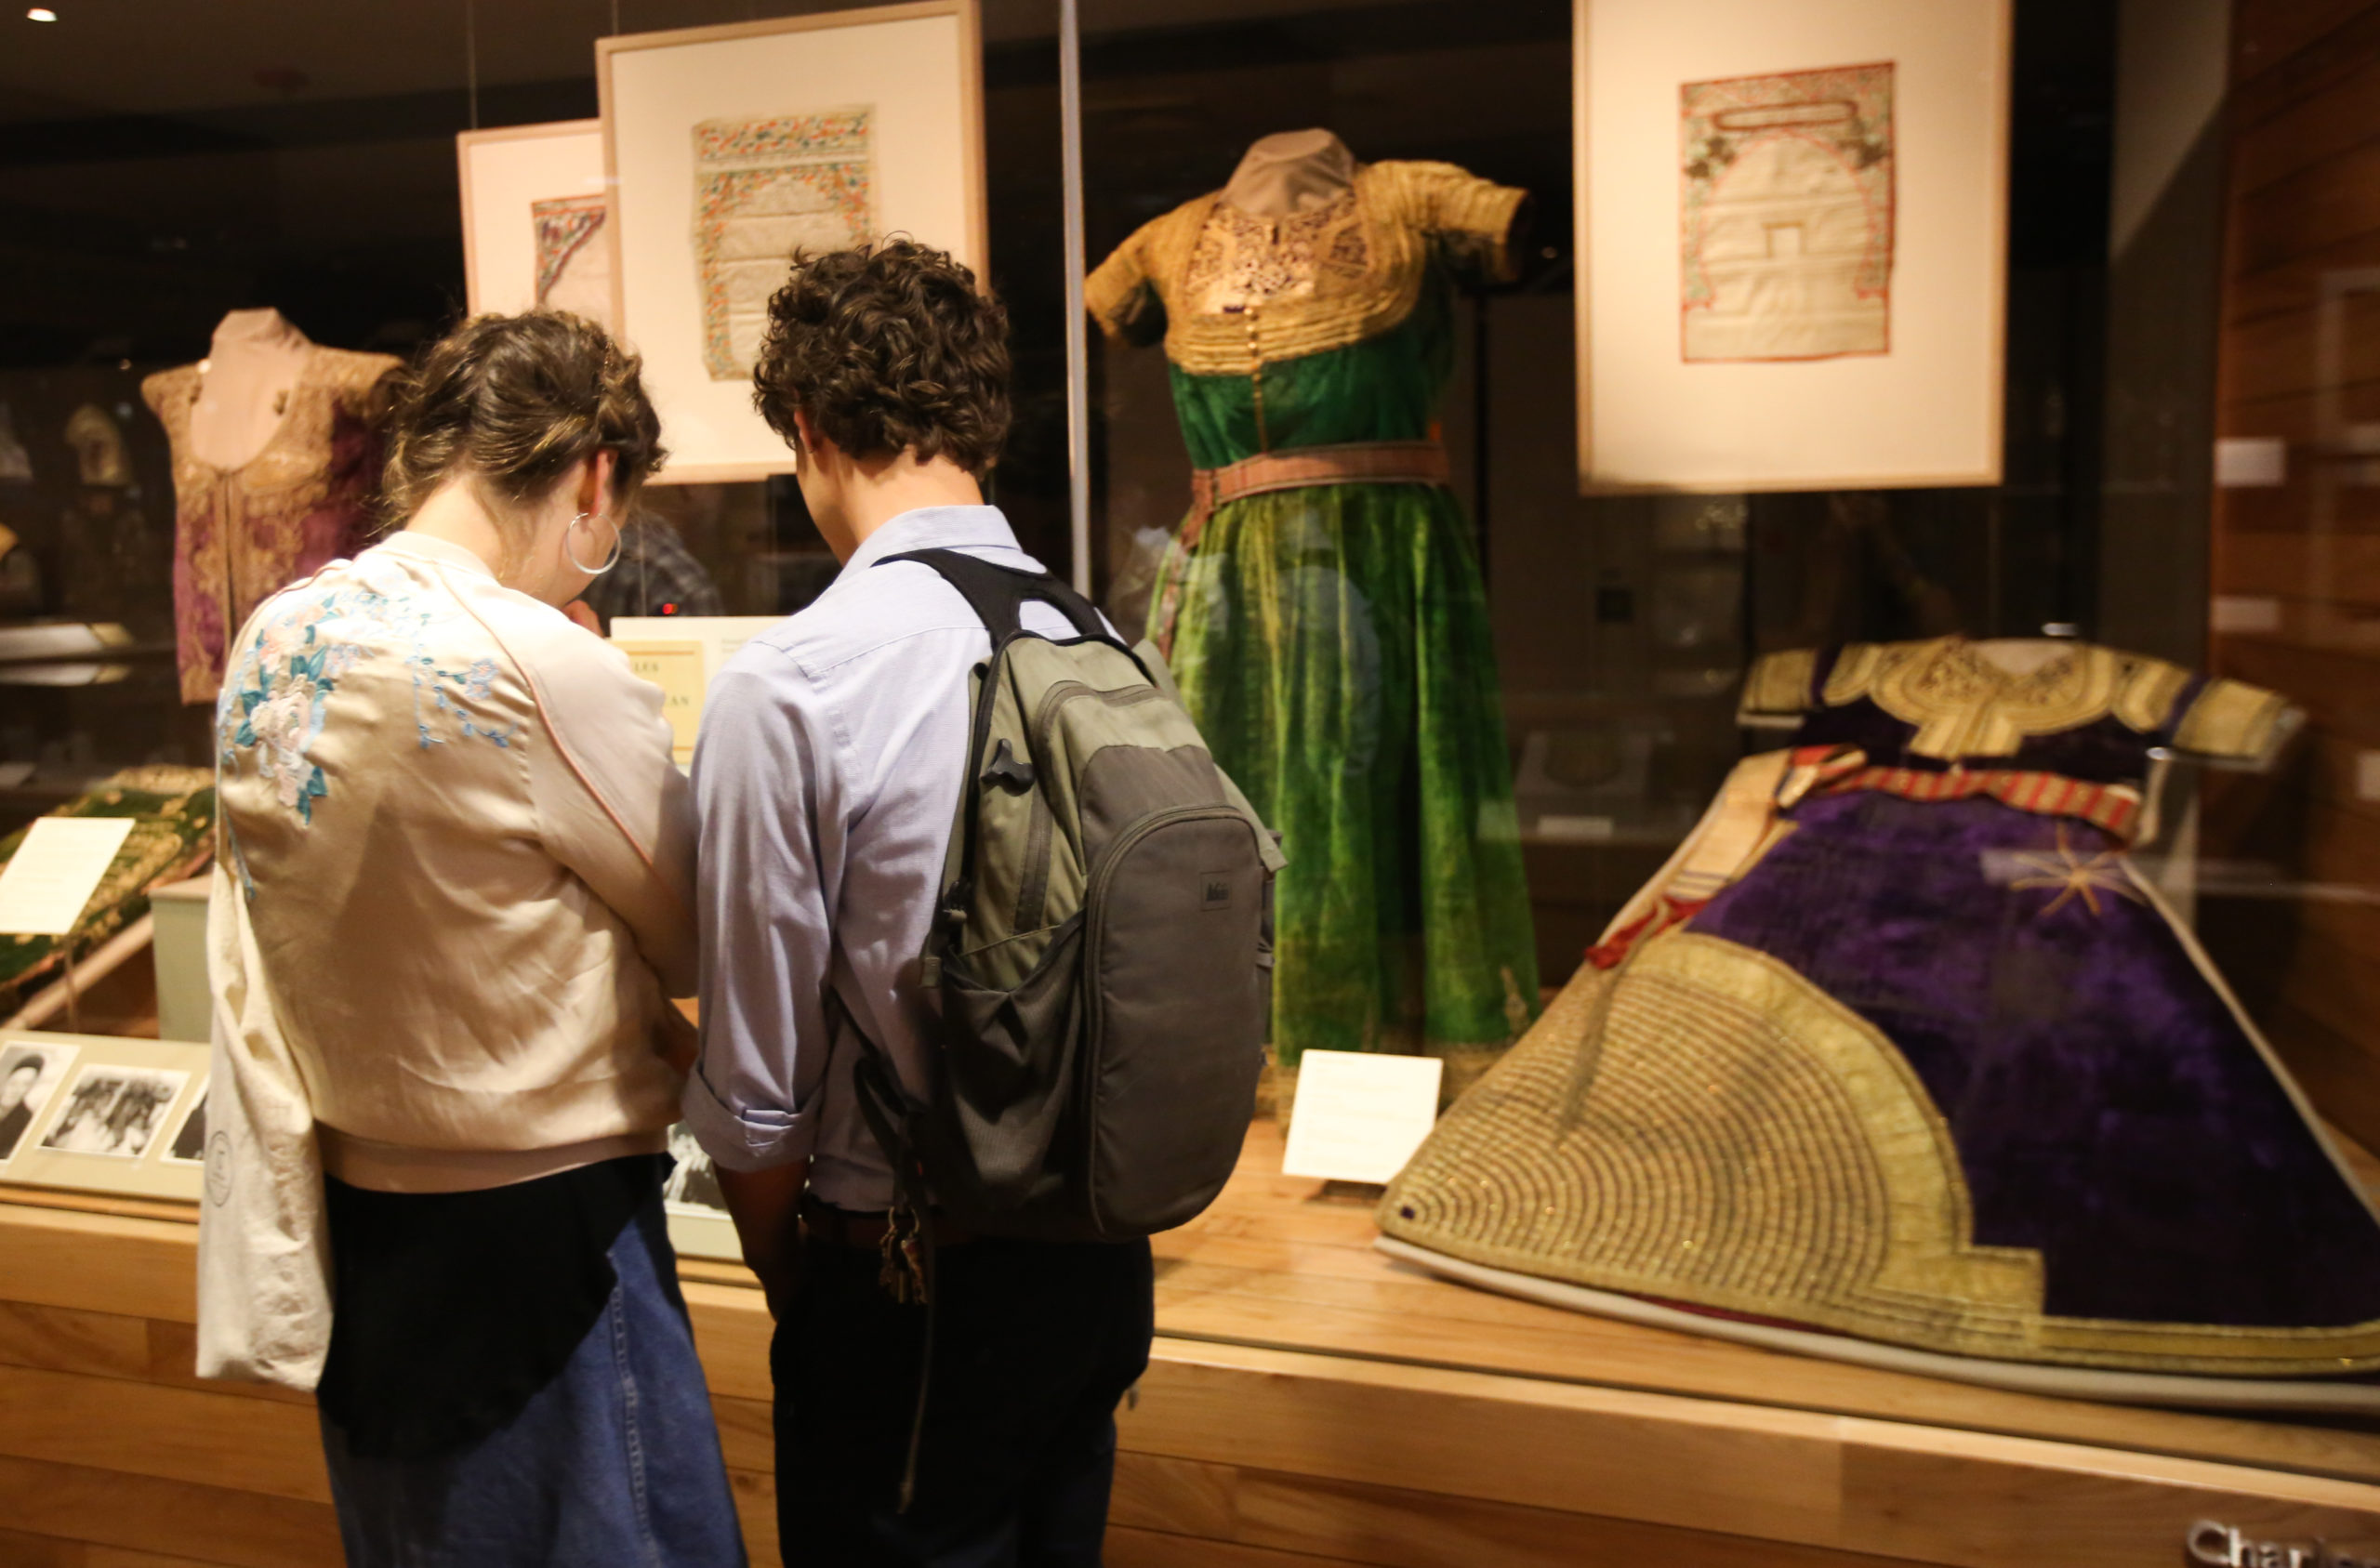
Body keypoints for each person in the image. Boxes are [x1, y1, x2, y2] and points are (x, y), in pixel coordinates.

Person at [201, 310, 746, 1567]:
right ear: (593, 476)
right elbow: (695, 942)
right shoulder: (537, 659)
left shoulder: (274, 637)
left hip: (362, 1233)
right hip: (545, 1240)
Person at [686, 240, 1154, 1565]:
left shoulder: (793, 683)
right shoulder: (1105, 641)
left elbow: (758, 1085)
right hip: (1101, 1257)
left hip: (907, 1271)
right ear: (980, 423)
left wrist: (801, 1279)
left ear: (809, 427)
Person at [0, 1053, 45, 1157]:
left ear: (30, 1088)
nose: (15, 1090)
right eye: (14, 1082)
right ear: (7, 1080)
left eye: (24, 1084)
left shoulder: (26, 1120)